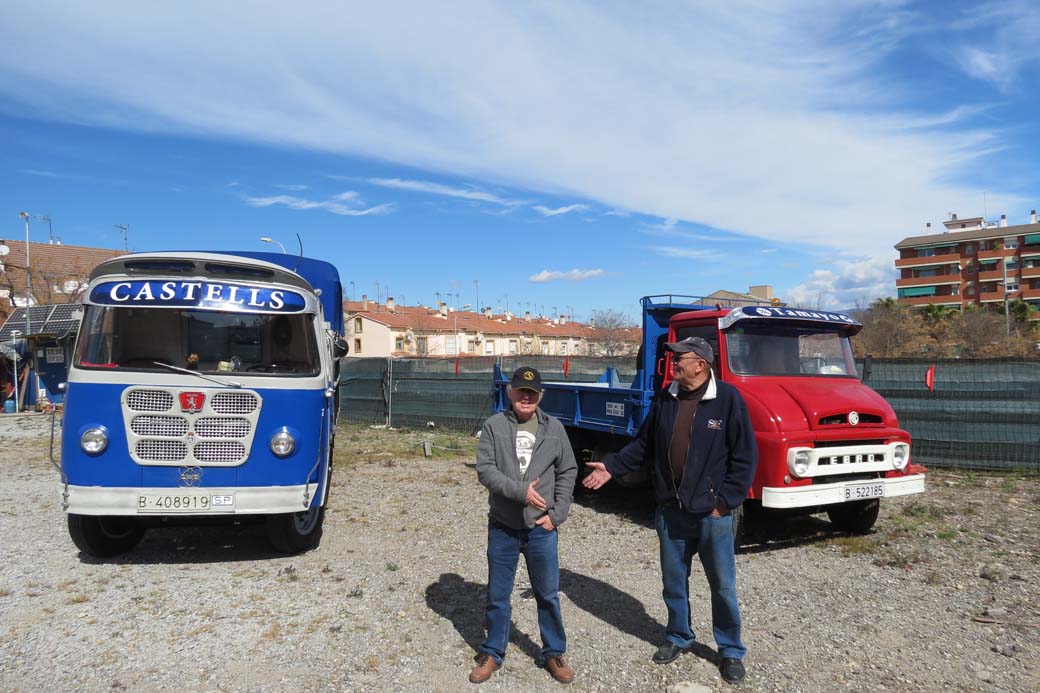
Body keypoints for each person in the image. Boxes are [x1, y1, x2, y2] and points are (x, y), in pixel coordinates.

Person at [583, 336, 757, 685]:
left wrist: (724, 504)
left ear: (701, 364)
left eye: (680, 358)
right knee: (673, 581)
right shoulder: (666, 397)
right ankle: (679, 635)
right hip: (671, 510)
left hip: (713, 514)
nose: (672, 362)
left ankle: (730, 650)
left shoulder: (727, 400)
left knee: (722, 585)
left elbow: (745, 457)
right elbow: (644, 445)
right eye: (673, 356)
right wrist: (612, 467)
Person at [470, 366, 578, 685]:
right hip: (503, 526)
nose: (526, 397)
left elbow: (568, 471)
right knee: (498, 595)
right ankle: (493, 651)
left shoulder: (554, 429)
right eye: (521, 392)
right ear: (510, 393)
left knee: (547, 593)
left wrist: (556, 514)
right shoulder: (494, 426)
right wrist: (520, 492)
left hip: (540, 530)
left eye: (532, 393)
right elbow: (485, 470)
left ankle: (554, 652)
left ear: (540, 396)